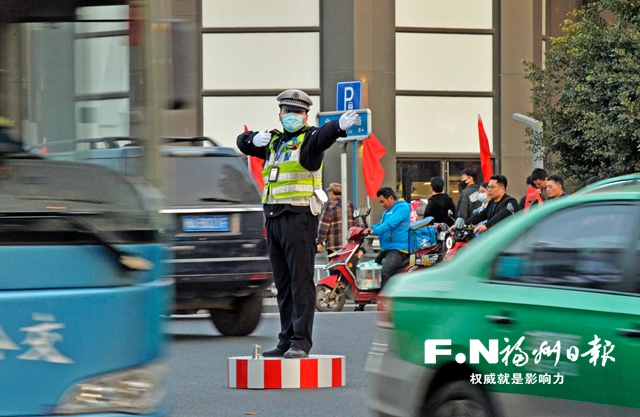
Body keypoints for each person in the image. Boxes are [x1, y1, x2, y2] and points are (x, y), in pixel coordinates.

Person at [236, 89, 358, 359]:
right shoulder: (273, 142)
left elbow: (324, 137)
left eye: (297, 112)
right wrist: (252, 138)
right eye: (287, 111)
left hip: (300, 218)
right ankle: (285, 339)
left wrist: (337, 126)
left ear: (305, 115)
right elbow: (242, 143)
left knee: (300, 282)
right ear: (279, 113)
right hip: (274, 220)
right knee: (283, 283)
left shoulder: (309, 139)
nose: (291, 116)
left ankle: (301, 341)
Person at [364, 187, 411, 290]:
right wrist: (368, 227)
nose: (382, 205)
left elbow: (390, 224)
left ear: (390, 198)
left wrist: (374, 231)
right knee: (372, 271)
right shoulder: (386, 212)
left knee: (385, 272)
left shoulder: (403, 207)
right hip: (387, 249)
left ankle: (385, 301)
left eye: (382, 201)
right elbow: (380, 225)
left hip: (398, 249)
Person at [316, 183, 357, 255]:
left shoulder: (329, 206)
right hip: (349, 246)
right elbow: (356, 224)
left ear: (331, 193)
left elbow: (323, 227)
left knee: (334, 266)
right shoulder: (351, 205)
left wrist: (319, 242)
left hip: (334, 246)